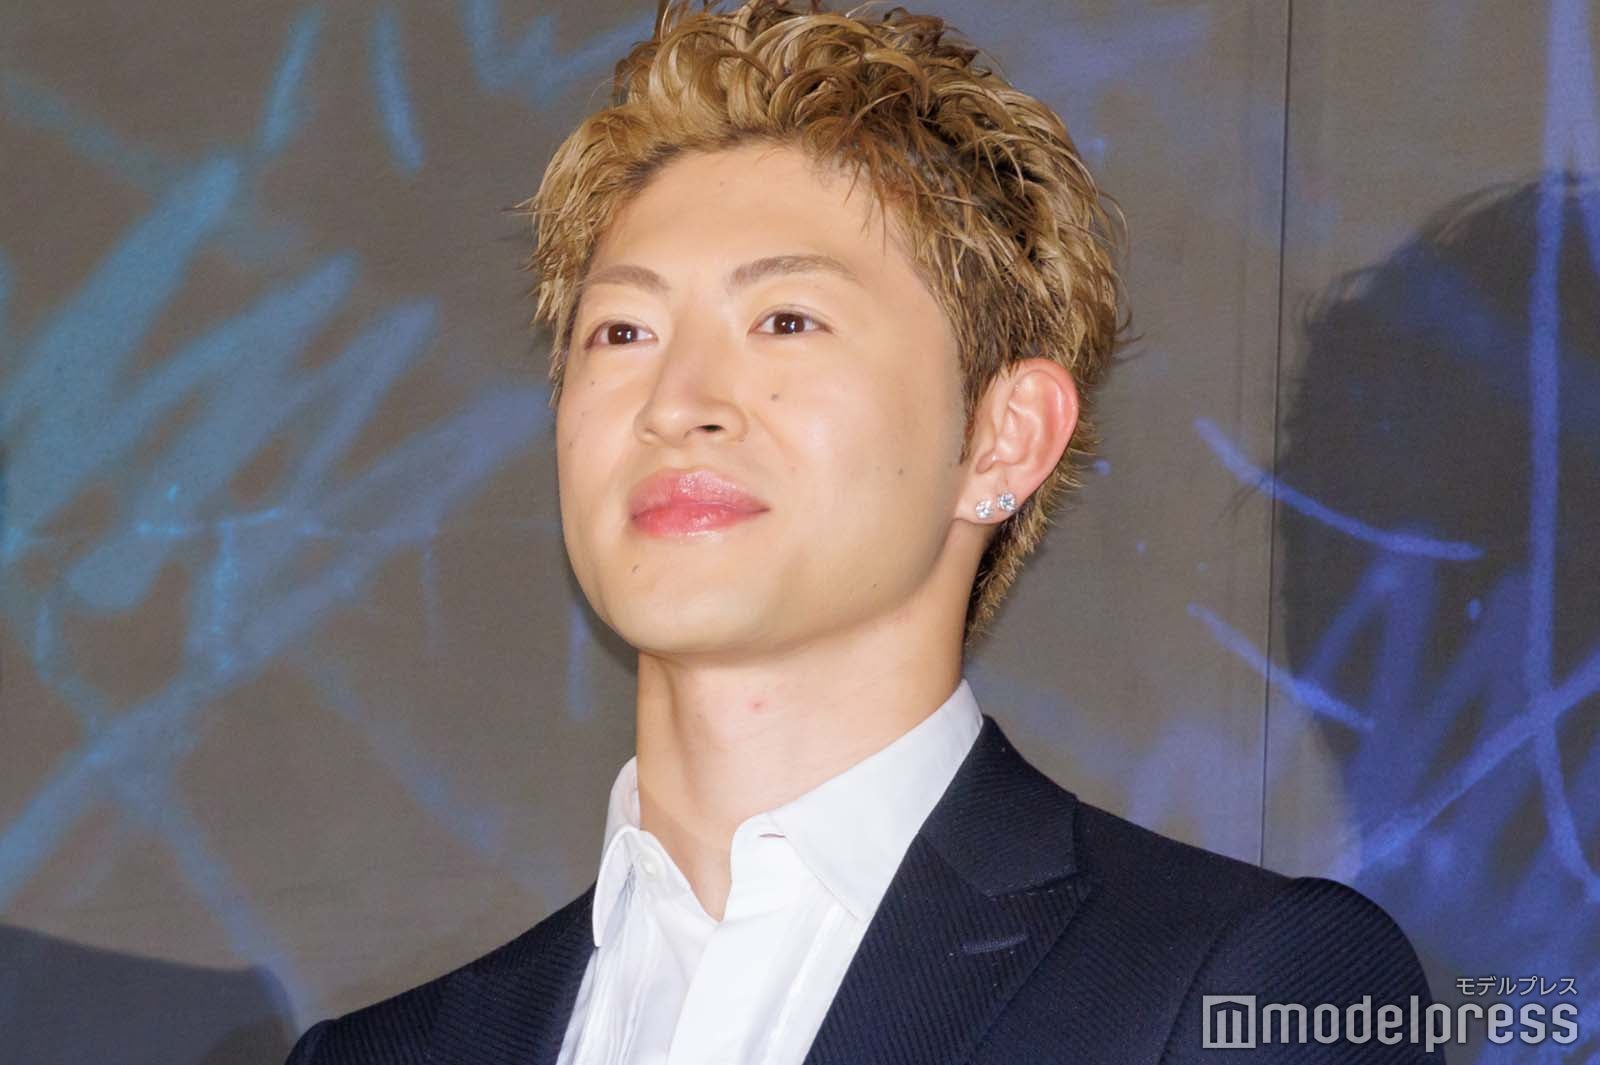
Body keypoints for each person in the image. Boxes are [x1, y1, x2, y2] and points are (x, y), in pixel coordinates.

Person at [286, 1, 1439, 1061]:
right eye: (622, 332)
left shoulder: (1233, 980)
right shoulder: (379, 1053)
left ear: (1000, 438)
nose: (677, 401)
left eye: (786, 320)